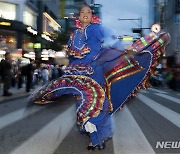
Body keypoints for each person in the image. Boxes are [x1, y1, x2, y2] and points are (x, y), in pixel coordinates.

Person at [27, 4, 170, 151]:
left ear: (91, 16)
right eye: (82, 12)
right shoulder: (74, 34)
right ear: (78, 16)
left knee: (94, 106)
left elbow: (112, 39)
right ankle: (93, 136)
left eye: (88, 12)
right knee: (81, 107)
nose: (85, 14)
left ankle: (96, 139)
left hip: (94, 72)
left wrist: (124, 46)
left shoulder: (97, 28)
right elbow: (72, 54)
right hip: (75, 73)